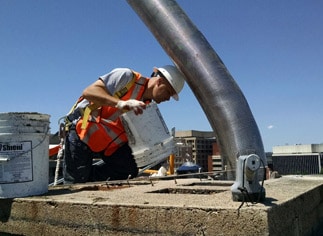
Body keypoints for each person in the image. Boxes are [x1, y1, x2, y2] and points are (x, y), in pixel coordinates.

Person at [63, 65, 185, 183]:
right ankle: (83, 180)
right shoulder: (127, 77)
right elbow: (89, 92)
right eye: (168, 92)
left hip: (108, 143)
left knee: (129, 170)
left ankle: (89, 181)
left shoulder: (146, 107)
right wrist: (120, 103)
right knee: (76, 181)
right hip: (82, 132)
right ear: (160, 81)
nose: (168, 98)